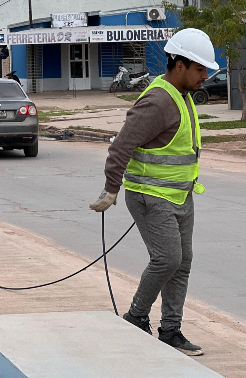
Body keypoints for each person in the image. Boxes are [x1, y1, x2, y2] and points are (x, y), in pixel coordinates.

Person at [89, 28, 219, 356]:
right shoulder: (158, 100)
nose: (205, 75)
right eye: (200, 69)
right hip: (149, 195)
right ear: (179, 66)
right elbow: (122, 144)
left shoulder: (183, 95)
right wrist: (111, 189)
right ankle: (135, 318)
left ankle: (171, 331)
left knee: (182, 262)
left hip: (179, 195)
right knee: (167, 259)